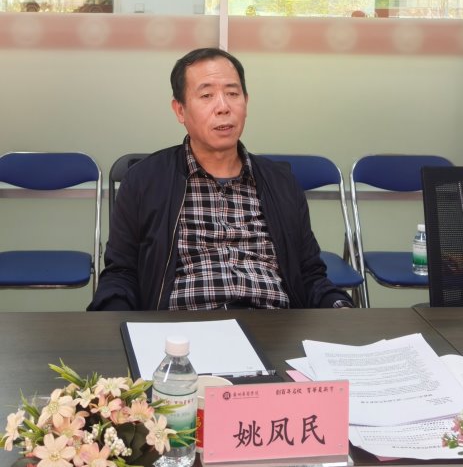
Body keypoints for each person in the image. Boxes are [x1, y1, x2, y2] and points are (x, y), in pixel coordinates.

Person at [88, 47, 355, 311]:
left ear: (246, 102)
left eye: (232, 94)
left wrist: (339, 307)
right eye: (206, 95)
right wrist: (112, 322)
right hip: (183, 327)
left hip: (272, 326)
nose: (223, 107)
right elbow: (121, 274)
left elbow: (309, 274)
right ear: (180, 110)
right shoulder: (144, 181)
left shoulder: (281, 183)